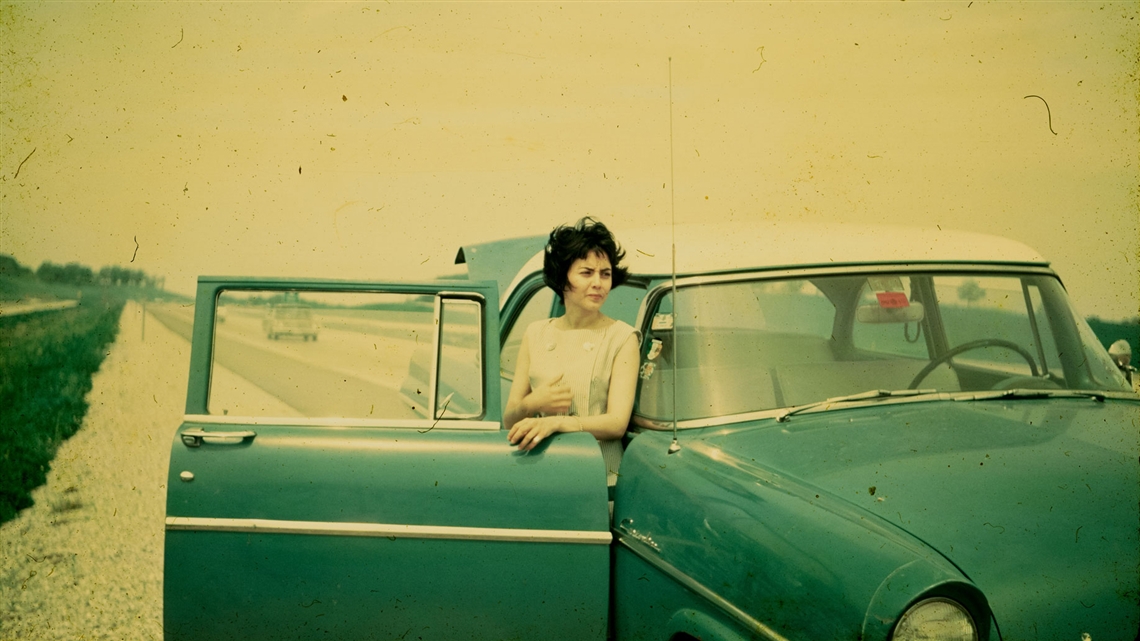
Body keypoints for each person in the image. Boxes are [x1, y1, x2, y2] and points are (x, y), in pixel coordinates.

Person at [505, 218, 641, 486]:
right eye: (586, 273)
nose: (598, 283)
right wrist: (533, 403)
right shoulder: (535, 333)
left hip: (599, 477)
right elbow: (510, 419)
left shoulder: (623, 337)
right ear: (562, 276)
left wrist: (556, 424)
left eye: (605, 274)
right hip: (541, 474)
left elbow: (616, 423)